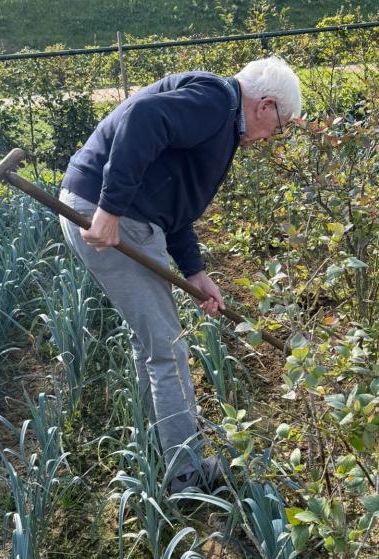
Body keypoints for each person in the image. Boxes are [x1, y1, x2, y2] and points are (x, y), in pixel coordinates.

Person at [57, 56, 301, 493]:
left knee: (151, 341)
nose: (270, 138)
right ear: (265, 105)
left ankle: (165, 448)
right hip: (113, 215)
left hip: (125, 212)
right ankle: (185, 475)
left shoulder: (219, 114)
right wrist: (109, 209)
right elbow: (142, 117)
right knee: (167, 348)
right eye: (278, 127)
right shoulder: (215, 102)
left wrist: (196, 271)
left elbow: (175, 202)